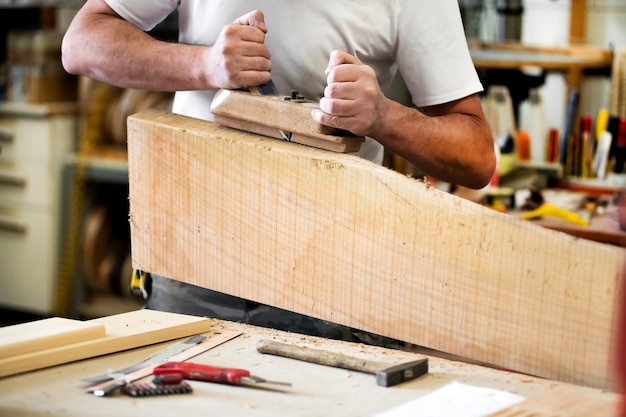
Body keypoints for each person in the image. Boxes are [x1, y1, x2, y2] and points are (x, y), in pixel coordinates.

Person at [62, 0, 496, 344]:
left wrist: (384, 116)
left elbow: (476, 158)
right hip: (194, 255)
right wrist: (204, 66)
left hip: (331, 275)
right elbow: (82, 42)